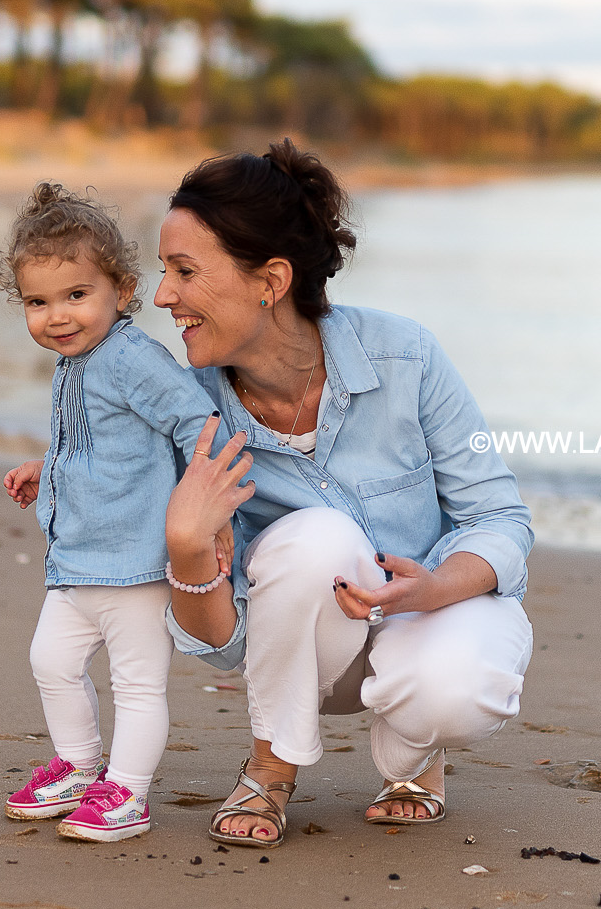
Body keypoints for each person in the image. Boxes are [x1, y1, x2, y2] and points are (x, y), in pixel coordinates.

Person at [154, 141, 534, 847]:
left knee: (457, 683)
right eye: (163, 271)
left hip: (429, 619)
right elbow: (220, 646)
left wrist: (429, 590)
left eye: (184, 271)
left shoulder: (408, 357)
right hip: (307, 654)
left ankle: (413, 755)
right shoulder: (186, 415)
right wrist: (186, 548)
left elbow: (499, 517)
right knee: (317, 536)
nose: (162, 295)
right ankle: (271, 768)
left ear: (269, 280)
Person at [0, 183, 222, 843]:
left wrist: (201, 513)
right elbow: (96, 440)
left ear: (121, 290)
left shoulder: (130, 358)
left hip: (136, 562)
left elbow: (197, 420)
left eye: (76, 295)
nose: (58, 316)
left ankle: (126, 789)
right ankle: (76, 764)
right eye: (39, 302)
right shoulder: (76, 361)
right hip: (78, 558)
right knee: (51, 660)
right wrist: (50, 467)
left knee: (137, 683)